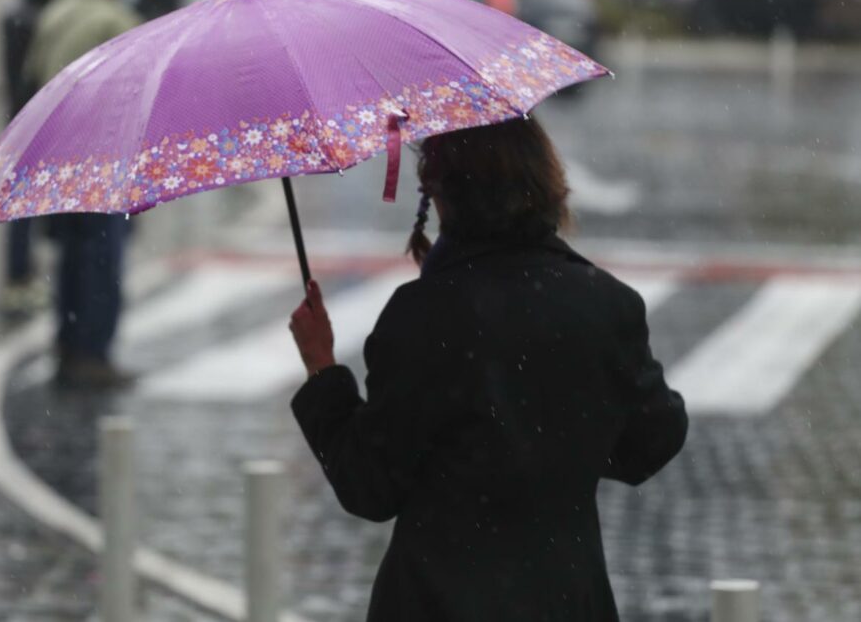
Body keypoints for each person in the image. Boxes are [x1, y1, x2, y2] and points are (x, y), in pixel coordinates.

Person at [288, 116, 688, 622]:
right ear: (544, 181)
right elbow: (652, 440)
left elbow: (370, 485)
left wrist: (322, 370)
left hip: (436, 602)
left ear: (442, 196)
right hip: (563, 600)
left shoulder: (423, 314)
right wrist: (557, 442)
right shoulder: (605, 304)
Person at [24, 0, 143, 387]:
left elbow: (33, 71)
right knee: (102, 257)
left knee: (72, 255)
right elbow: (137, 90)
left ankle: (69, 344)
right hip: (100, 154)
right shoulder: (116, 19)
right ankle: (93, 353)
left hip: (55, 150)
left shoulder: (57, 10)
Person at [1, 0, 63, 312]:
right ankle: (19, 276)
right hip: (32, 122)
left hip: (33, 118)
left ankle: (25, 274)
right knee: (23, 208)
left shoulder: (38, 12)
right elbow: (25, 75)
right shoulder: (25, 17)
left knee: (31, 206)